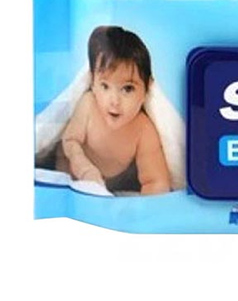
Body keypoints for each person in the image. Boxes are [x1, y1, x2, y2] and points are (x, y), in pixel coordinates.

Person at [56, 26, 171, 195]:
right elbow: (69, 141)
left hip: (116, 183)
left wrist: (143, 208)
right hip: (71, 170)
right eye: (105, 86)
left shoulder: (143, 130)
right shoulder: (88, 105)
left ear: (147, 88)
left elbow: (157, 181)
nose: (114, 101)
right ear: (93, 82)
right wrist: (85, 169)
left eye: (127, 89)